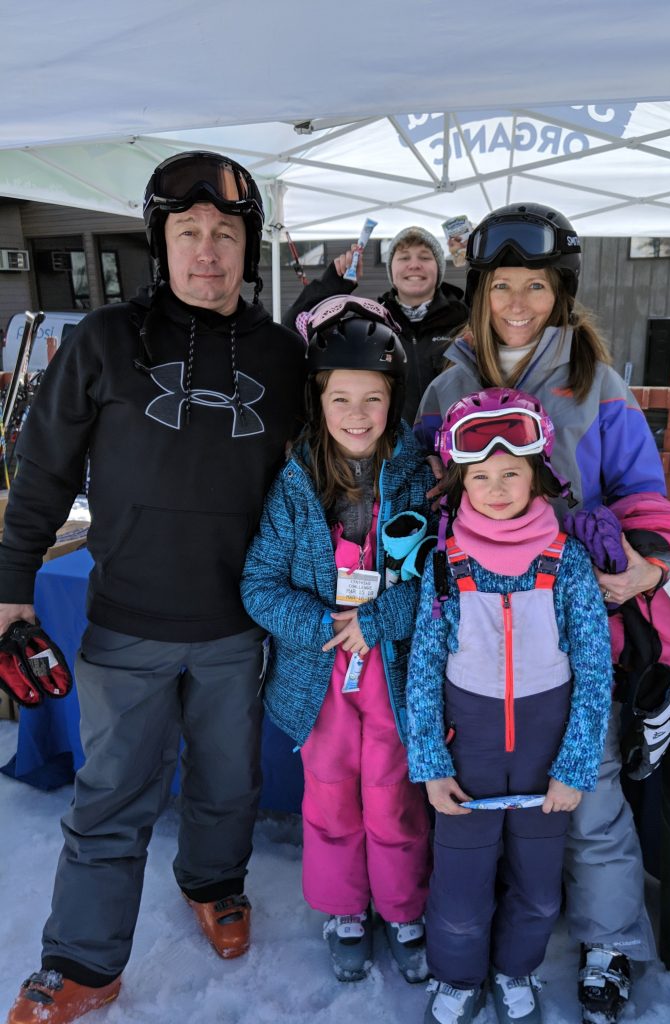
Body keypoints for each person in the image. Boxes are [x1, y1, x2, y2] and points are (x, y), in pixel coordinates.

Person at [1, 151, 306, 1024]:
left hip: (237, 624)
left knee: (226, 782)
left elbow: (327, 475)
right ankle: (83, 964)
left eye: (224, 234)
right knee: (110, 800)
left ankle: (215, 884)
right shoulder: (102, 341)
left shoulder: (286, 357)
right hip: (127, 624)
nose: (206, 252)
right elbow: (43, 472)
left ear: (248, 247)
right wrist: (11, 584)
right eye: (188, 233)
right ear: (160, 242)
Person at [413, 203, 670, 1024]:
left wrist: (643, 568)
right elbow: (419, 494)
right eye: (502, 286)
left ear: (561, 293)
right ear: (481, 291)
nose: (518, 303)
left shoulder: (597, 382)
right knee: (479, 795)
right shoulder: (450, 383)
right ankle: (469, 949)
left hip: (571, 615)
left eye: (537, 286)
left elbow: (646, 497)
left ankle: (608, 942)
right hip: (476, 619)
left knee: (587, 789)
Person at [240, 296, 434, 985]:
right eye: (341, 398)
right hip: (321, 679)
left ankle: (404, 907)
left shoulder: (417, 478)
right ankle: (346, 907)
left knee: (392, 794)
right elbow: (259, 585)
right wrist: (322, 625)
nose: (357, 415)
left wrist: (377, 621)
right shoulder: (295, 487)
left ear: (394, 399)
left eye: (373, 399)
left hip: (392, 673)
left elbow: (436, 582)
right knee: (329, 795)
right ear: (318, 401)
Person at [407, 387, 613, 1024]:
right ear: (461, 483)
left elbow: (594, 668)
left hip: (544, 757)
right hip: (466, 752)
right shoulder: (446, 560)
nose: (496, 488)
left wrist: (575, 766)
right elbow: (422, 666)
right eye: (481, 476)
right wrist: (429, 763)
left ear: (538, 477)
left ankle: (515, 968)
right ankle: (458, 976)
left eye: (512, 474)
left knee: (538, 886)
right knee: (460, 888)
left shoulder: (566, 561)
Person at [282, 225, 468, 422]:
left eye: (425, 257)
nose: (414, 265)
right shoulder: (373, 323)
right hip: (393, 447)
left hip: (456, 443)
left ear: (439, 268)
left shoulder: (464, 320)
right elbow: (291, 334)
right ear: (391, 269)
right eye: (404, 257)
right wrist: (333, 284)